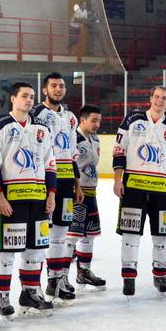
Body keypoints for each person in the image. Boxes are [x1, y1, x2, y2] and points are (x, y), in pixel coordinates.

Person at [0, 82, 56, 317]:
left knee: (35, 249)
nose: (29, 100)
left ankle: (30, 292)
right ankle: (1, 295)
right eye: (24, 96)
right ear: (13, 99)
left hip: (38, 198)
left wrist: (51, 194)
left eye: (32, 97)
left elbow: (49, 163)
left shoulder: (42, 128)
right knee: (6, 251)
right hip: (10, 200)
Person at [112, 86, 166, 295]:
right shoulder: (132, 120)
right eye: (157, 97)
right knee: (130, 234)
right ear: (150, 98)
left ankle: (160, 275)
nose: (160, 101)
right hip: (134, 187)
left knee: (163, 236)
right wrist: (118, 179)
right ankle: (129, 277)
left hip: (164, 189)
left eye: (164, 98)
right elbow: (119, 151)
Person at [30, 73, 82, 302]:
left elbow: (73, 153)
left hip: (67, 180)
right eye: (53, 86)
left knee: (61, 232)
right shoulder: (36, 114)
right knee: (43, 233)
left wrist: (77, 183)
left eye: (61, 86)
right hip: (44, 180)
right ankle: (33, 285)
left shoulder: (71, 117)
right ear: (45, 90)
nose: (58, 89)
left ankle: (55, 281)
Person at [68, 104, 106, 290]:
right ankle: (61, 277)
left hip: (91, 192)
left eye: (99, 121)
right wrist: (75, 187)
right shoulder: (73, 139)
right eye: (93, 120)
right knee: (71, 236)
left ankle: (84, 272)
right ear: (82, 120)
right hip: (77, 193)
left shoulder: (96, 138)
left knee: (89, 235)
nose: (97, 124)